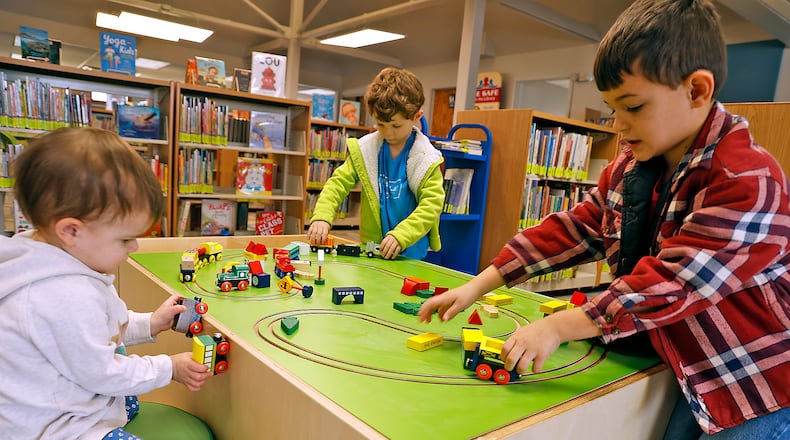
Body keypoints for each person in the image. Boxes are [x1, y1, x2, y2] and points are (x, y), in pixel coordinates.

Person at [419, 0, 789, 438]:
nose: (618, 125)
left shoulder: (746, 176)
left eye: (632, 107)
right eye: (613, 108)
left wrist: (558, 326)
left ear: (696, 91)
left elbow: (674, 282)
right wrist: (478, 285)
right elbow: (573, 229)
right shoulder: (631, 165)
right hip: (682, 363)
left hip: (754, 383)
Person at [0, 128, 213, 439]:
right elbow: (101, 372)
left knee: (126, 393)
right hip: (54, 426)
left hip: (72, 392)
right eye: (125, 239)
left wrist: (151, 323)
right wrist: (169, 368)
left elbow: (99, 330)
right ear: (71, 232)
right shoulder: (62, 295)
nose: (135, 247)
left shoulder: (57, 259)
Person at [307, 67, 445, 260]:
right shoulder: (366, 150)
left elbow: (432, 205)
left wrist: (401, 235)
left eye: (396, 126)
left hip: (410, 251)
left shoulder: (425, 157)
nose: (388, 133)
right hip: (371, 247)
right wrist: (322, 216)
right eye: (380, 124)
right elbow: (337, 184)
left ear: (416, 117)